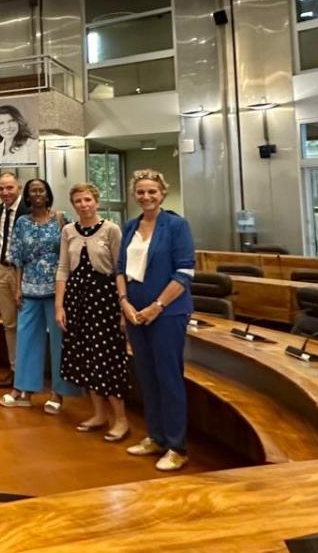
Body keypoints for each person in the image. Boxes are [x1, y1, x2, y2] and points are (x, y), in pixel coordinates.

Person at [118, 169, 195, 471]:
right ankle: (156, 436)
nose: (146, 197)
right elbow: (120, 269)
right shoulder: (129, 226)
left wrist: (157, 306)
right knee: (147, 377)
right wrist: (124, 302)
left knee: (168, 377)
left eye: (152, 191)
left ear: (162, 193)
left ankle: (177, 446)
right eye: (140, 192)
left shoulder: (176, 225)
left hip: (167, 314)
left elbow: (184, 273)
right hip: (135, 314)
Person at [0, 179, 80, 412]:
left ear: (47, 194)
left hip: (57, 291)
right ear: (27, 196)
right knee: (26, 341)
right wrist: (17, 287)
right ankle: (22, 389)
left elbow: (72, 252)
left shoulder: (61, 220)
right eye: (32, 191)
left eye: (41, 190)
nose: (37, 194)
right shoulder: (22, 222)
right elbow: (17, 257)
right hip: (29, 289)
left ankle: (57, 393)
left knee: (58, 343)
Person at [56, 183, 129, 443]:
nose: (83, 205)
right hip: (77, 300)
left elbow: (121, 269)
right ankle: (99, 414)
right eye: (78, 201)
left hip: (105, 300)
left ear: (96, 201)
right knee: (85, 358)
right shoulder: (68, 231)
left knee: (107, 359)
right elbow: (63, 269)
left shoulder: (111, 229)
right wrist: (59, 305)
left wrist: (123, 307)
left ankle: (120, 419)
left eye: (87, 200)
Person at [0, 172, 23, 388]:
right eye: (1, 188)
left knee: (25, 325)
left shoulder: (28, 211)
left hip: (21, 273)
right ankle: (14, 370)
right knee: (9, 324)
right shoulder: (0, 209)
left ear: (18, 188)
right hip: (2, 269)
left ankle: (26, 372)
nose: (5, 192)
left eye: (9, 188)